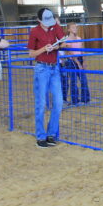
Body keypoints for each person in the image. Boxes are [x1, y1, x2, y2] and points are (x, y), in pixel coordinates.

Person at [28, 8, 66, 148]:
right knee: (41, 103)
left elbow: (63, 42)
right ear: (39, 20)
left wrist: (55, 47)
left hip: (54, 67)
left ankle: (51, 133)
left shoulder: (55, 27)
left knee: (58, 102)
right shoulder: (34, 32)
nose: (49, 23)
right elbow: (31, 53)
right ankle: (40, 136)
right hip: (42, 68)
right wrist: (44, 49)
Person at [60, 22, 90, 106]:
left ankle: (85, 99)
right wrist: (78, 64)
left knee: (83, 80)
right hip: (72, 61)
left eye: (76, 27)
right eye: (73, 27)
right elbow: (71, 52)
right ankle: (75, 100)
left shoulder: (79, 38)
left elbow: (82, 50)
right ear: (69, 29)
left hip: (79, 58)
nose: (75, 29)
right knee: (73, 81)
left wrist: (84, 61)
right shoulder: (67, 40)